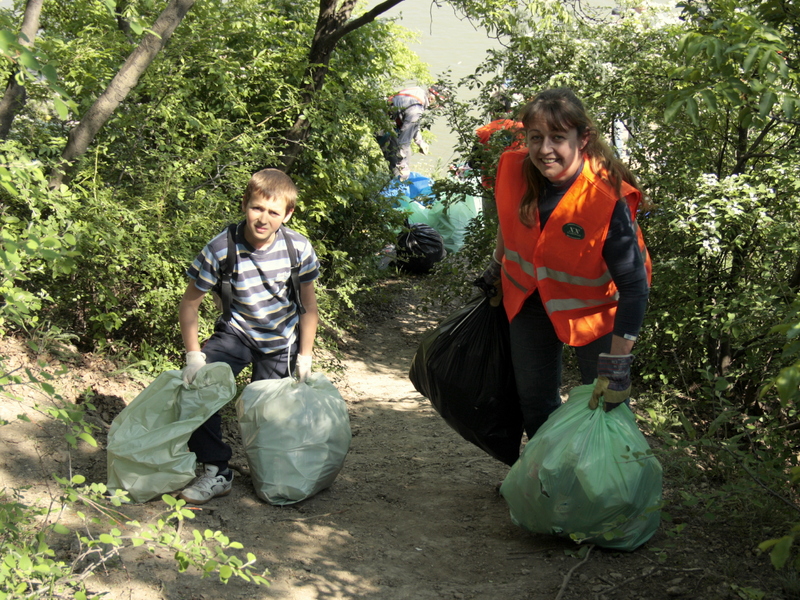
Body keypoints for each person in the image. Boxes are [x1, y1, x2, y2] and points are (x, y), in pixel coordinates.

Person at [479, 87, 651, 443]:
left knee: (604, 405)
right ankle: (547, 480)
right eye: (535, 137)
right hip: (528, 300)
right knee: (535, 402)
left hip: (595, 311)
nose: (544, 150)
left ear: (583, 138)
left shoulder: (604, 197)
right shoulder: (513, 167)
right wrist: (496, 266)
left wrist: (617, 366)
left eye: (558, 138)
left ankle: (603, 488)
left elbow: (635, 288)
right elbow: (508, 219)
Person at [178, 168, 320, 504]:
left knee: (272, 415)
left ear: (287, 214)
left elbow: (309, 308)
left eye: (273, 212)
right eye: (257, 208)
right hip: (236, 333)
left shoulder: (298, 248)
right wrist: (194, 356)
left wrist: (305, 355)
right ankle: (216, 469)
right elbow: (189, 303)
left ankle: (273, 473)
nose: (263, 218)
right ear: (245, 204)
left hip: (281, 340)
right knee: (200, 392)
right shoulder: (220, 248)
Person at [378, 85, 439, 180]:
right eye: (438, 104)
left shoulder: (418, 92)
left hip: (385, 117)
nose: (438, 107)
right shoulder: (416, 109)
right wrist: (402, 166)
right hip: (382, 124)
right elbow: (403, 141)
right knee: (397, 165)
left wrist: (420, 141)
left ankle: (397, 184)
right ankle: (396, 189)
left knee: (408, 154)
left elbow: (412, 123)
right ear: (431, 98)